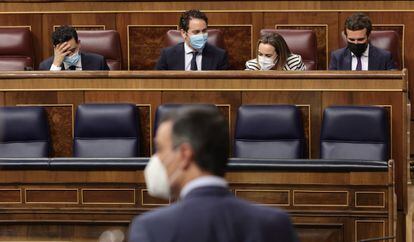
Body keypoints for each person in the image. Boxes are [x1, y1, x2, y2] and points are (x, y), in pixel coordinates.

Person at [128, 106, 298, 242]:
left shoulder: (152, 229)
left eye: (160, 149)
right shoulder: (275, 225)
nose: (156, 158)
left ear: (185, 154)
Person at [155, 9, 229, 70]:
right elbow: (158, 83)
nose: (201, 36)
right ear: (183, 33)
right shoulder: (168, 55)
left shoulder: (220, 56)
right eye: (196, 32)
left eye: (204, 31)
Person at [329, 13, 395, 70]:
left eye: (360, 39)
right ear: (346, 37)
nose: (356, 43)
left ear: (368, 36)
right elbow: (331, 83)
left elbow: (394, 82)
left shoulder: (384, 57)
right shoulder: (337, 57)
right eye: (351, 39)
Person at [39, 25, 109, 71]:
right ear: (55, 49)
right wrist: (56, 66)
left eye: (72, 50)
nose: (70, 55)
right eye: (64, 52)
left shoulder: (98, 62)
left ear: (78, 44)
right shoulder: (45, 67)